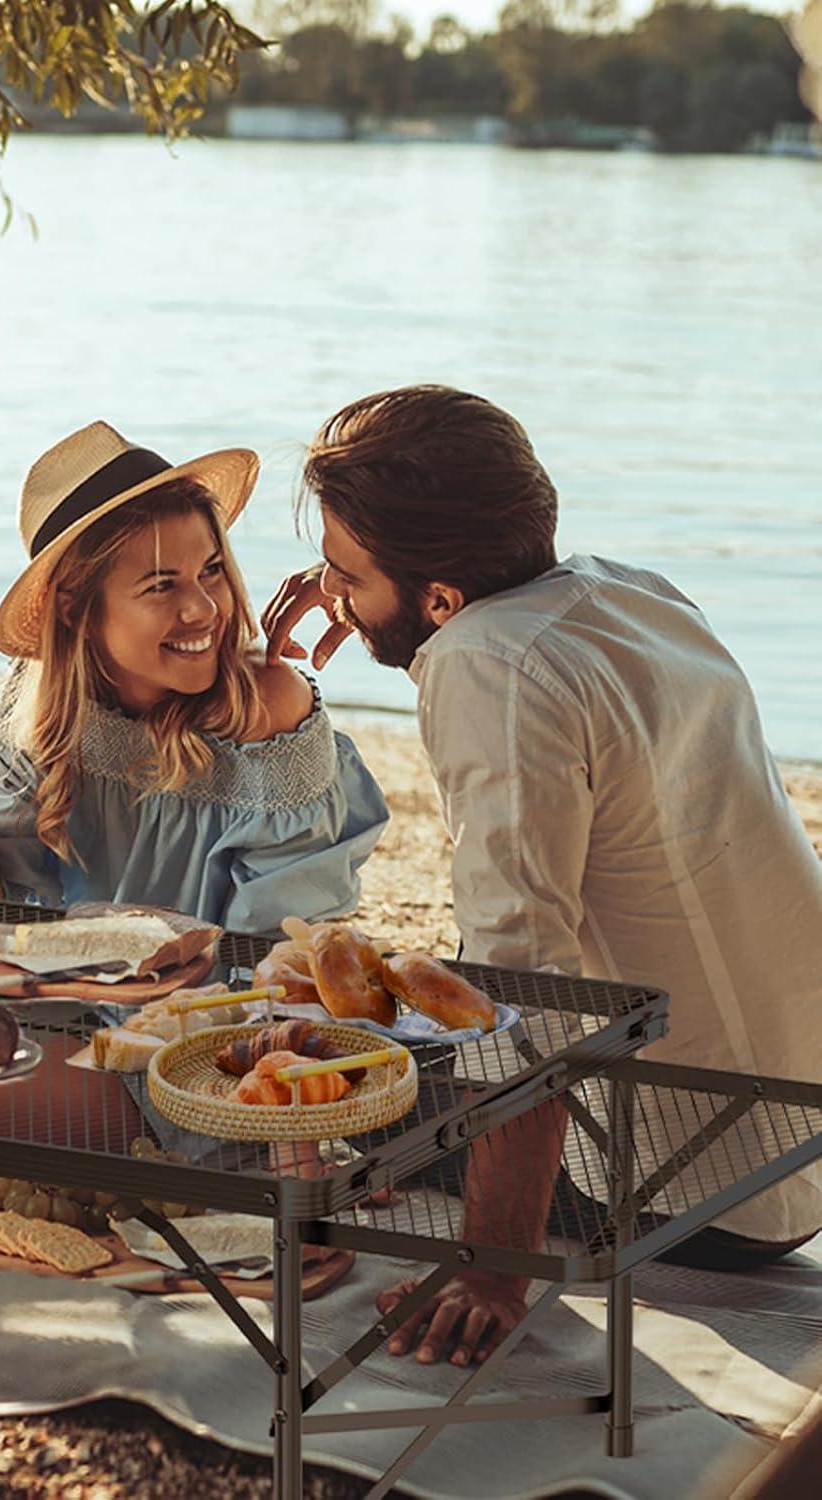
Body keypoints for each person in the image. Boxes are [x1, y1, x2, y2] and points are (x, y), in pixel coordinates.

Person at [263, 384, 822, 1366]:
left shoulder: (492, 668)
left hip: (701, 1186)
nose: (331, 596)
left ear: (441, 597)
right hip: (797, 1131)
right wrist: (375, 587)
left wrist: (494, 1268)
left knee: (303, 1053)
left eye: (346, 576)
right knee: (368, 988)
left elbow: (530, 988)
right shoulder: (624, 592)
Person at [0, 419, 389, 936]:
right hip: (54, 1005)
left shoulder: (267, 712)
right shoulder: (37, 709)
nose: (203, 608)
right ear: (76, 608)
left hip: (207, 1011)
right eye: (160, 585)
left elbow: (274, 961)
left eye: (211, 570)